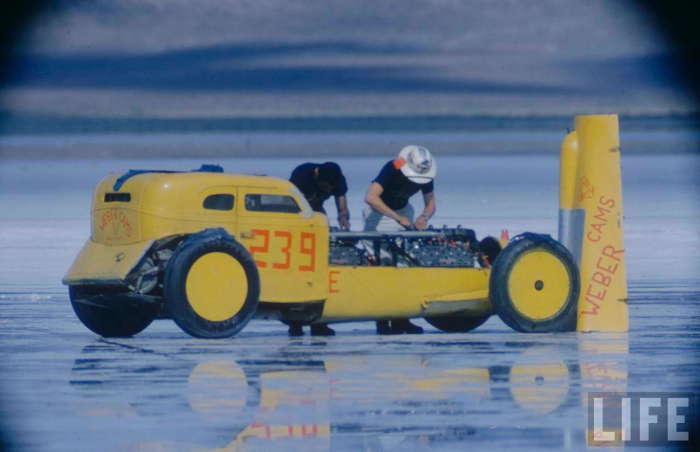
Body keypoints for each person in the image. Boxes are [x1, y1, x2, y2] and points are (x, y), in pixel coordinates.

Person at [363, 145, 437, 335]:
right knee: (383, 266)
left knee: (406, 265)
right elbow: (371, 197)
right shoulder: (393, 167)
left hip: (404, 210)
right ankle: (382, 320)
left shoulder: (426, 173)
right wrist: (396, 218)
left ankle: (402, 319)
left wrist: (423, 217)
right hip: (380, 211)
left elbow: (430, 204)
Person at [288, 162, 350, 337]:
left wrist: (343, 218)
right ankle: (295, 324)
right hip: (297, 217)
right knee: (299, 274)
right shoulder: (301, 176)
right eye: (325, 187)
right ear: (317, 177)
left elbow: (342, 203)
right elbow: (291, 203)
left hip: (318, 214)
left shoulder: (338, 179)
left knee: (322, 272)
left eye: (331, 187)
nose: (329, 189)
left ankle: (320, 323)